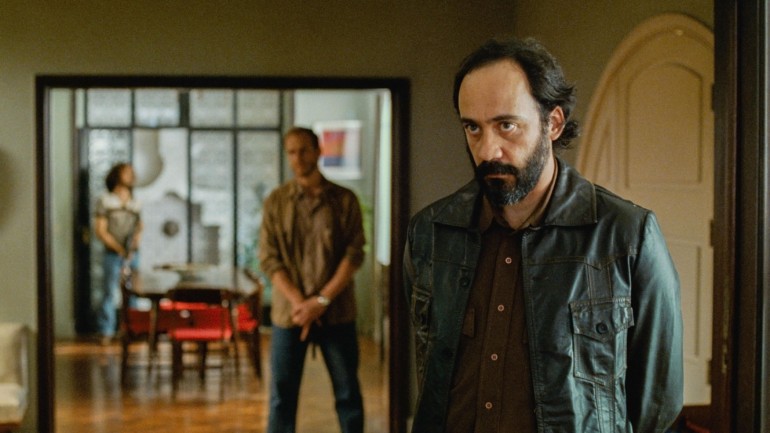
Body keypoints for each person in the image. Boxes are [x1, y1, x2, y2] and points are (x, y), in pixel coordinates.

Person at [403, 38, 683, 433]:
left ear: (553, 123)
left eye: (506, 125)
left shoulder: (626, 236)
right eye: (473, 128)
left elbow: (657, 406)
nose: (488, 150)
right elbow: (431, 376)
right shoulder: (430, 233)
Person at [259, 127, 365, 433]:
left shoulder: (344, 200)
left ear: (318, 151)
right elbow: (269, 258)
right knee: (281, 398)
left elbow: (354, 253)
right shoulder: (276, 201)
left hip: (337, 312)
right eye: (291, 152)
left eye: (304, 150)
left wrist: (322, 300)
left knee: (348, 395)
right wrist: (302, 305)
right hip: (290, 314)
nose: (298, 158)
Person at [94, 162, 142, 345]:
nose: (131, 175)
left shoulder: (135, 202)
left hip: (133, 254)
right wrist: (119, 249)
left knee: (133, 293)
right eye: (127, 172)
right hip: (112, 254)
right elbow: (100, 230)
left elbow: (139, 227)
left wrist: (133, 246)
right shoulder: (105, 200)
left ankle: (133, 329)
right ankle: (106, 330)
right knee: (109, 291)